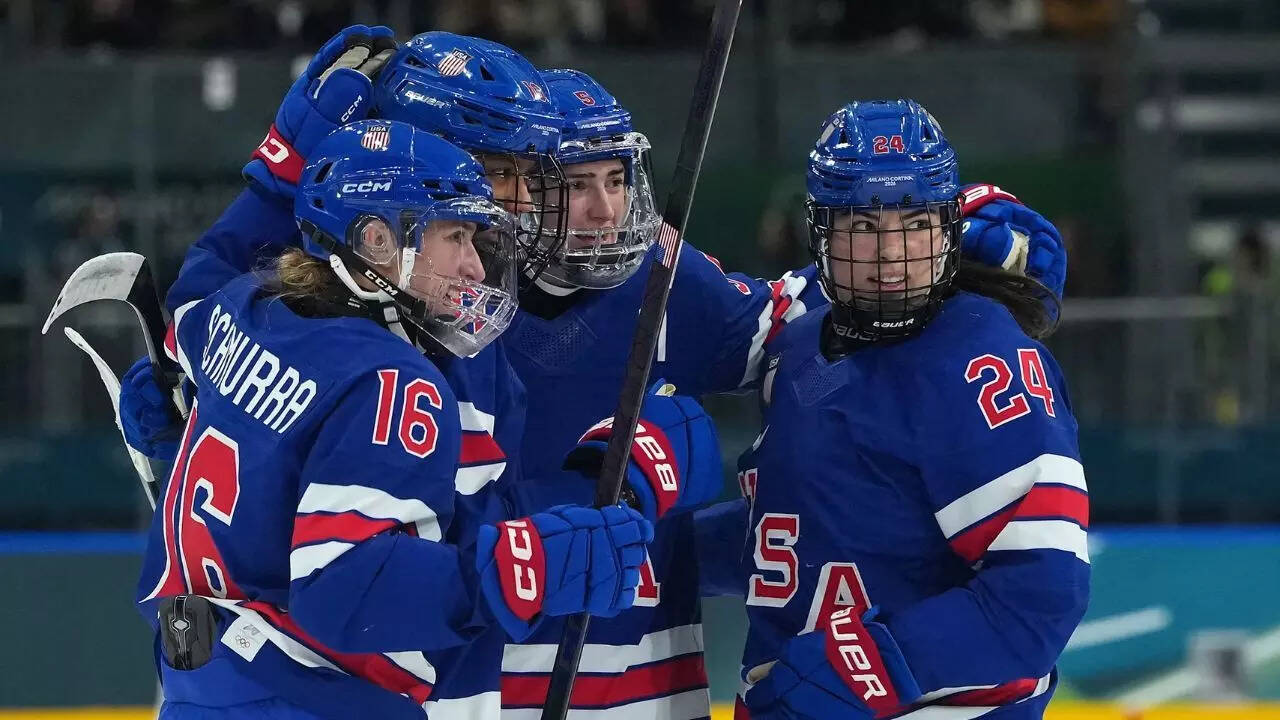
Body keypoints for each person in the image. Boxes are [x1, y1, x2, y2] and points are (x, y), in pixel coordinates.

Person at [140, 120, 655, 720]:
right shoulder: (393, 381)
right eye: (454, 236)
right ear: (378, 240)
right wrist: (526, 568)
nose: (474, 268)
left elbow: (189, 313)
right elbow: (342, 587)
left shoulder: (242, 307)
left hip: (198, 673)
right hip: (308, 692)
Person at [732, 99, 1089, 720]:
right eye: (865, 226)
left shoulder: (984, 359)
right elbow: (801, 538)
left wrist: (863, 668)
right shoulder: (796, 349)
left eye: (916, 223)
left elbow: (1039, 597)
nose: (892, 253)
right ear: (821, 233)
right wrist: (654, 552)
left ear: (951, 227)